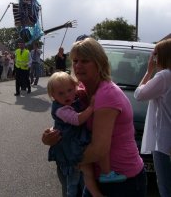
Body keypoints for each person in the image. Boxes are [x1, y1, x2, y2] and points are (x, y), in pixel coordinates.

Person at [42, 38, 147, 197]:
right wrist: (50, 136)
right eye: (75, 60)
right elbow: (69, 121)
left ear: (99, 63)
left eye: (85, 61)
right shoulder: (80, 90)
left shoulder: (107, 95)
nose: (78, 65)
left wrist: (63, 156)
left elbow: (98, 151)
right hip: (97, 175)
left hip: (122, 181)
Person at [47, 71, 126, 197]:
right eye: (61, 93)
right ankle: (94, 190)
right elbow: (77, 120)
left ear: (74, 87)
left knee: (86, 171)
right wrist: (91, 107)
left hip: (76, 140)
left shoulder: (71, 99)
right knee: (74, 180)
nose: (67, 95)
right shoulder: (61, 110)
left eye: (70, 90)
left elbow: (77, 93)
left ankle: (102, 181)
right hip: (71, 145)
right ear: (53, 95)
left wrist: (80, 93)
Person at [134, 38, 171, 197]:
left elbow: (139, 95)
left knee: (165, 186)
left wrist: (149, 71)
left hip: (163, 141)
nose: (153, 58)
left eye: (155, 54)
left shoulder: (164, 76)